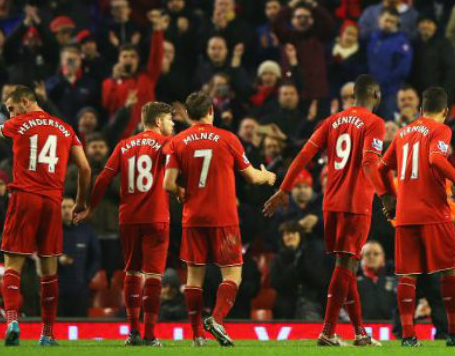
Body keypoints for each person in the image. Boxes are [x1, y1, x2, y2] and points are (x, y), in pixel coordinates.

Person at [0, 85, 91, 346]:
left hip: (25, 197)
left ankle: (12, 321)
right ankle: (48, 334)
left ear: (26, 102)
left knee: (12, 263)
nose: (10, 114)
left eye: (11, 108)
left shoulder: (20, 123)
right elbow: (85, 169)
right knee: (48, 270)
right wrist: (81, 202)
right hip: (53, 201)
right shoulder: (66, 128)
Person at [262, 74, 388, 347]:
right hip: (355, 203)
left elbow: (303, 156)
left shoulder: (331, 121)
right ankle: (328, 332)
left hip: (330, 202)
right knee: (346, 265)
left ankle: (359, 333)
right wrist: (386, 195)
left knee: (347, 264)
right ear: (376, 95)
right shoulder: (375, 123)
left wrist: (284, 189)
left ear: (353, 95)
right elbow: (369, 163)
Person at [162, 92, 276, 346]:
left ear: (189, 115)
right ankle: (217, 318)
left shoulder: (179, 141)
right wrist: (268, 177)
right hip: (224, 217)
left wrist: (181, 193)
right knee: (232, 275)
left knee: (193, 278)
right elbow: (252, 177)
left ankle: (196, 336)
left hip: (193, 217)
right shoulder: (228, 139)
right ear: (211, 111)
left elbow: (168, 183)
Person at [376, 87, 455, 347]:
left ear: (420, 110)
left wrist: (388, 197)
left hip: (406, 215)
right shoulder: (441, 129)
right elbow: (435, 158)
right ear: (445, 111)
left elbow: (382, 168)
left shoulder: (403, 132)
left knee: (408, 276)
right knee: (449, 272)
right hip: (433, 213)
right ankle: (454, 334)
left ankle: (408, 336)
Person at [76, 102, 175, 346]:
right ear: (159, 122)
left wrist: (91, 206)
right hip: (156, 217)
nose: (173, 125)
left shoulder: (123, 145)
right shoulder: (165, 144)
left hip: (128, 218)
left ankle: (132, 333)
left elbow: (104, 178)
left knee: (132, 272)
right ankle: (150, 335)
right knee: (153, 276)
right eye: (170, 121)